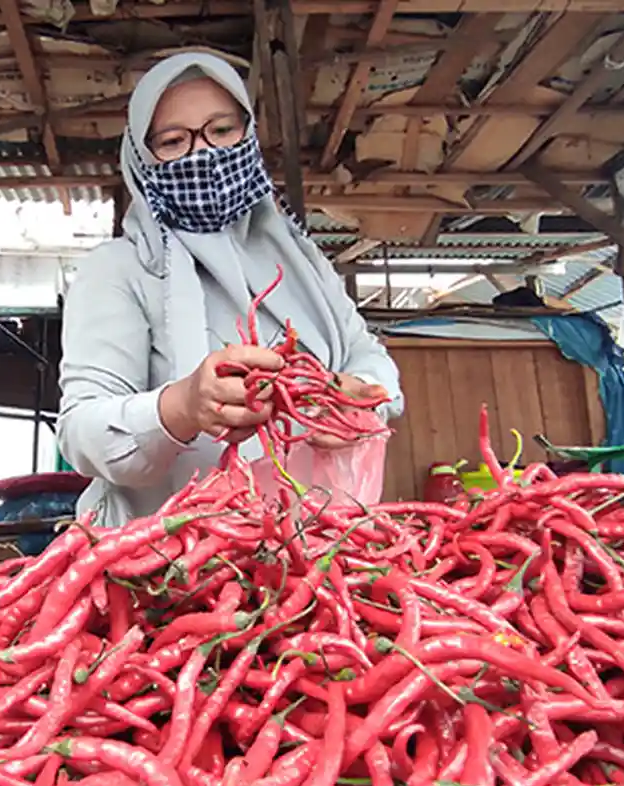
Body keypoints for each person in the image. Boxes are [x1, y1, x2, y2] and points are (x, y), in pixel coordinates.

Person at [58, 51, 404, 526]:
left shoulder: (302, 261)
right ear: (141, 158)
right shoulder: (120, 270)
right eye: (174, 141)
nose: (205, 154)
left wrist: (358, 394)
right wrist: (181, 406)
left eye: (222, 131)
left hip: (310, 557)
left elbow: (367, 354)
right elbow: (80, 432)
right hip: (169, 567)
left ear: (249, 134)